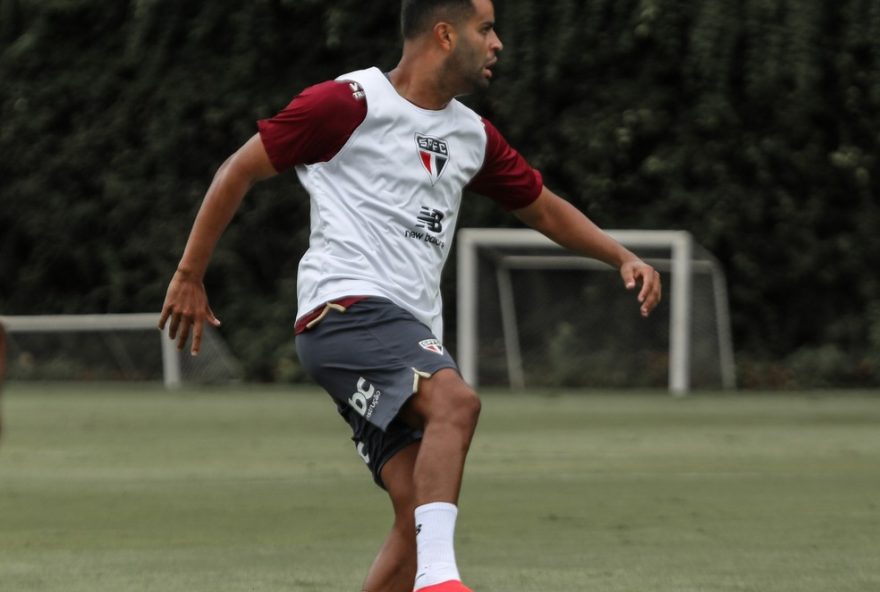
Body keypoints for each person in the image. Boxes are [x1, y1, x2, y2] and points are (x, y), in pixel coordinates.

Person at [159, 0, 662, 590]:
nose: (497, 42)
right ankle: (442, 583)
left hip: (396, 333)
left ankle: (428, 571)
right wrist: (189, 273)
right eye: (486, 28)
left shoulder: (472, 135)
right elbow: (237, 170)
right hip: (345, 309)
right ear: (445, 35)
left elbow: (544, 208)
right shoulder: (348, 104)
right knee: (457, 404)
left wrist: (620, 255)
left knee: (414, 514)